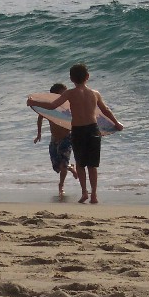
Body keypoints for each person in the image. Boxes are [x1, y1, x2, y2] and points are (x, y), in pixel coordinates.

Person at [27, 63, 124, 204]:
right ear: (88, 77)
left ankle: (84, 192)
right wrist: (116, 123)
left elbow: (53, 106)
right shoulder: (95, 94)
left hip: (78, 131)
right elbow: (105, 110)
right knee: (92, 165)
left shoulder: (69, 93)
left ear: (71, 79)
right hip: (93, 129)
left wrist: (34, 102)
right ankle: (94, 195)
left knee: (80, 164)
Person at [34, 83, 79, 199]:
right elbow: (40, 117)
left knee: (62, 165)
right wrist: (39, 133)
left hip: (67, 138)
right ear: (54, 95)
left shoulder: (67, 106)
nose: (65, 94)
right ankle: (71, 167)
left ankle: (61, 185)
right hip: (54, 139)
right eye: (63, 92)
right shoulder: (50, 107)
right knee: (57, 166)